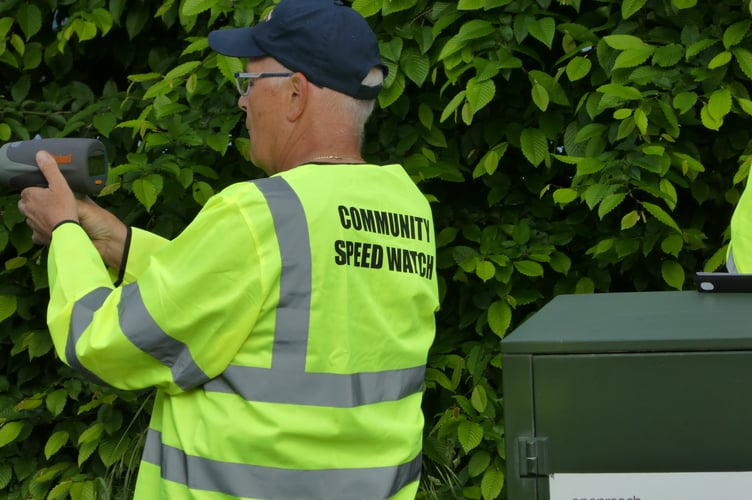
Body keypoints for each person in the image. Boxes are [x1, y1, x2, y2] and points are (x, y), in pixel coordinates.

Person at [18, 0, 439, 498]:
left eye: (249, 83)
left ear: (296, 93)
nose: (242, 102)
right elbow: (257, 300)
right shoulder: (406, 208)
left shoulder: (260, 213)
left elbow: (102, 342)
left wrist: (65, 230)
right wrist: (118, 243)